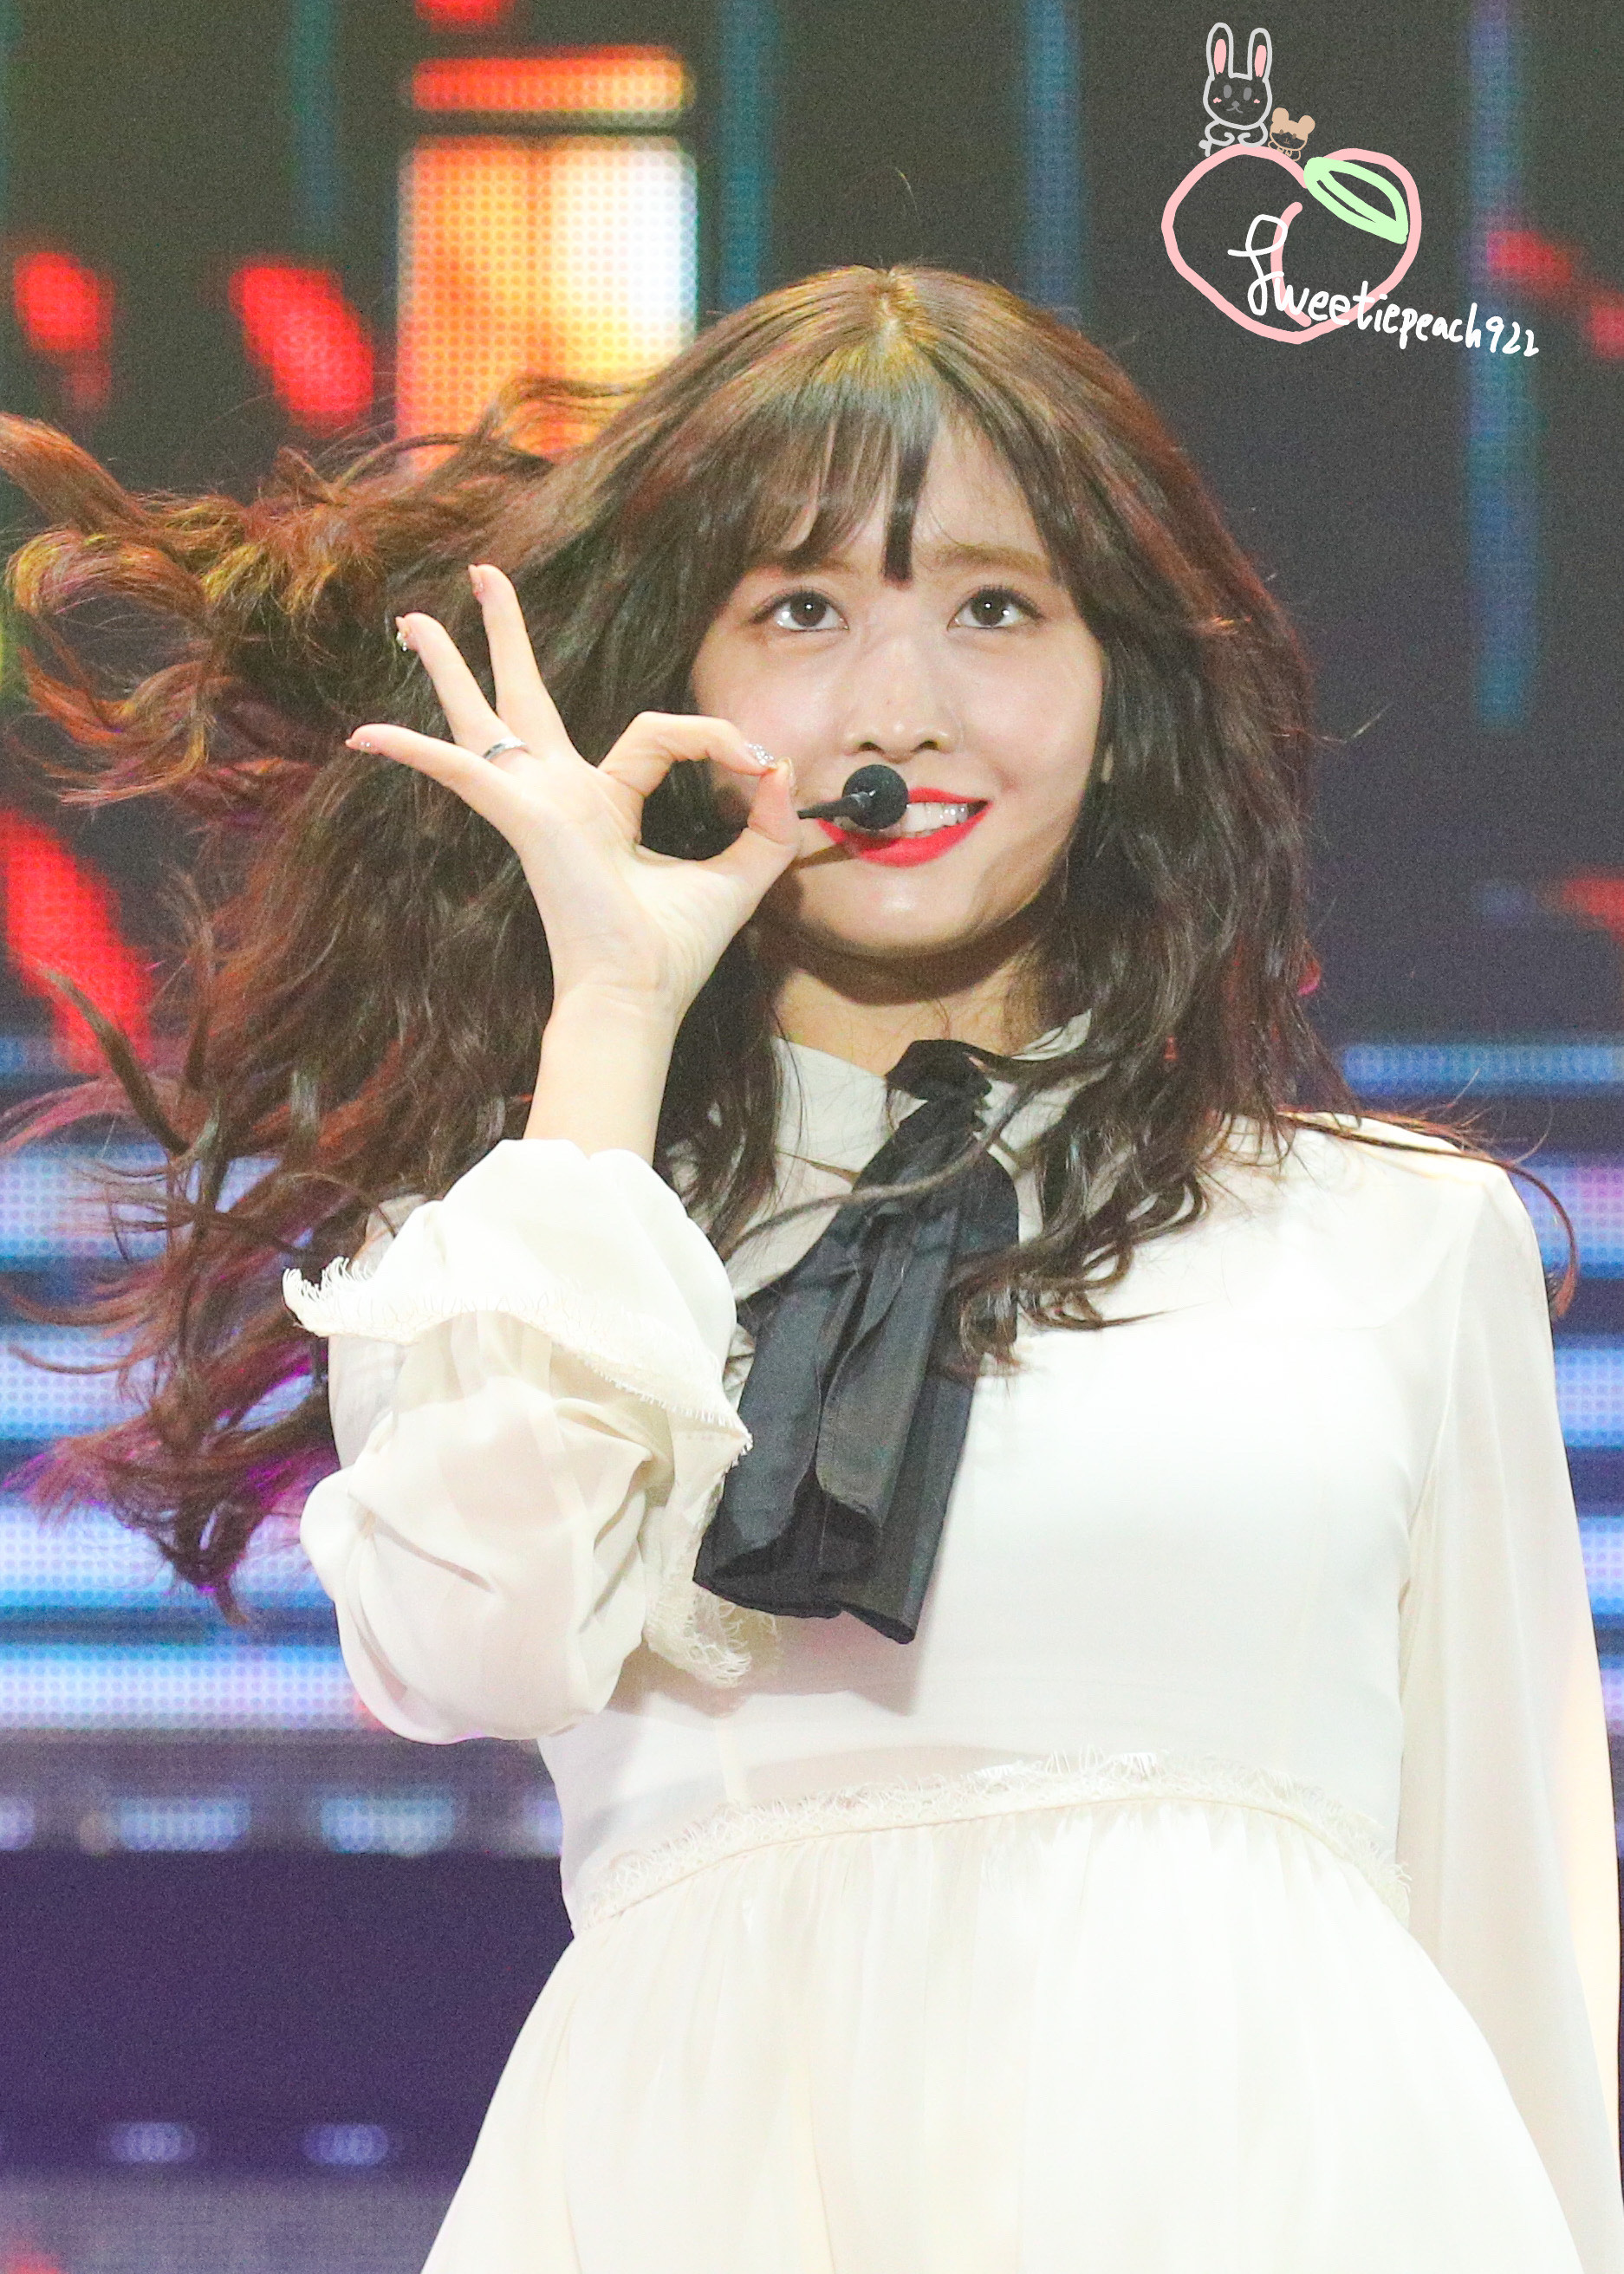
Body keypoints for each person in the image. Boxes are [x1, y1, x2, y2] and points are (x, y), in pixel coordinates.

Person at [1, 266, 1619, 2273]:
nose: (897, 705)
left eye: (995, 608)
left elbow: (1518, 1937)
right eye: (800, 611)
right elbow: (469, 1646)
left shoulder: (1391, 1238)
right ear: (676, 683)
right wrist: (608, 1014)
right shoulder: (537, 1243)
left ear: (1124, 689)